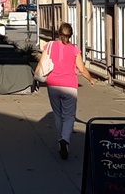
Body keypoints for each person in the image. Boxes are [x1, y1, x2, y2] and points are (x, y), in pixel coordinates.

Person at [36, 22, 96, 160]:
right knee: (69, 116)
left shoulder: (50, 46)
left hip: (53, 85)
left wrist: (35, 79)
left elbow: (41, 63)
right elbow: (81, 69)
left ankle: (60, 141)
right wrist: (91, 79)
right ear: (71, 35)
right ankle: (65, 139)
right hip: (69, 86)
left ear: (58, 33)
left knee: (57, 114)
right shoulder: (75, 50)